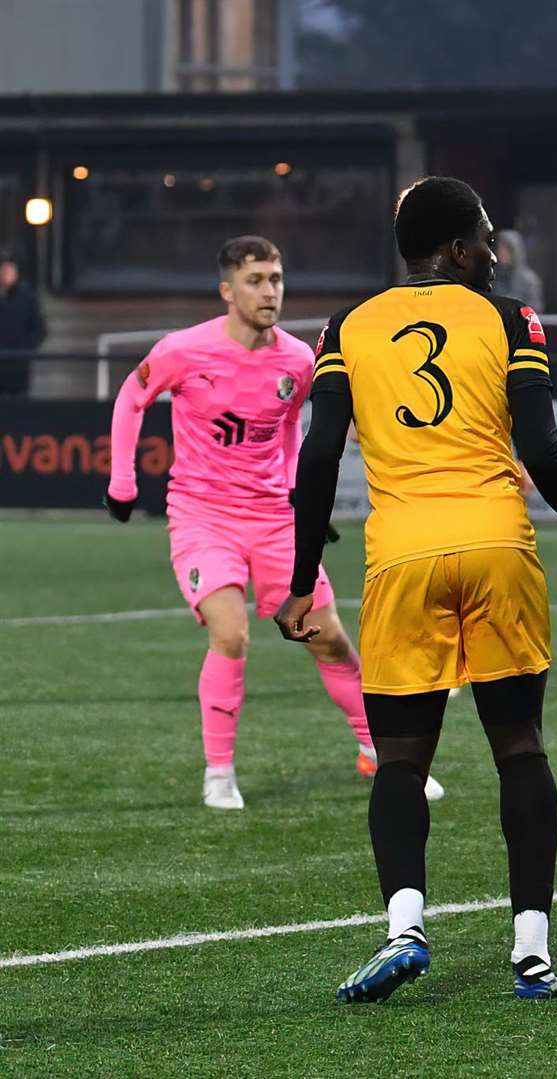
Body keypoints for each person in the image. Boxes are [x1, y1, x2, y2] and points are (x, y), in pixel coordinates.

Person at [276, 177, 557, 1003]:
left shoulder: (347, 326)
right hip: (496, 547)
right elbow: (542, 449)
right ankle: (532, 954)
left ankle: (405, 927)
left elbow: (319, 456)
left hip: (401, 558)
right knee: (520, 748)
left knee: (400, 761)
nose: (494, 251)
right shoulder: (511, 318)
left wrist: (302, 582)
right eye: (482, 237)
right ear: (452, 250)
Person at [100, 236, 436, 810]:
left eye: (276, 279)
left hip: (274, 520)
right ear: (227, 290)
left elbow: (303, 424)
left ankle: (377, 750)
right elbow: (132, 397)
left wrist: (296, 492)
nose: (269, 291)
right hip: (203, 517)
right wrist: (122, 482)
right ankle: (219, 773)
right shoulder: (184, 350)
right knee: (229, 633)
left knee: (328, 639)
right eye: (256, 280)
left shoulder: (299, 359)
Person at [0, 253, 48, 396]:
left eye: (10, 270)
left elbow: (40, 329)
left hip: (19, 367)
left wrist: (25, 351)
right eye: (4, 270)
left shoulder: (26, 296)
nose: (7, 274)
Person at [493, 229, 544, 311]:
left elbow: (535, 311)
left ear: (515, 250)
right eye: (500, 248)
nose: (501, 252)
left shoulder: (529, 281)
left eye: (506, 248)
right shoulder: (493, 278)